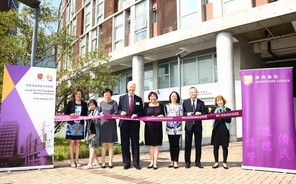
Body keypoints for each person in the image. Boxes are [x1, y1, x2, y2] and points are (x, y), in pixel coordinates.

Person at [118, 81, 144, 170]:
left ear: (135, 88)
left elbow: (142, 111)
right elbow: (118, 110)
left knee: (135, 143)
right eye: (130, 87)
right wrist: (121, 112)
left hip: (134, 125)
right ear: (127, 87)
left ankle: (136, 163)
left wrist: (137, 114)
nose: (131, 88)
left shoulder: (139, 99)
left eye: (133, 87)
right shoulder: (122, 98)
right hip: (124, 124)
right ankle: (126, 162)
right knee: (124, 144)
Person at [182, 86, 206, 169]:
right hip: (188, 126)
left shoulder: (201, 102)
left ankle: (198, 161)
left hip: (198, 126)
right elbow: (182, 113)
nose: (193, 93)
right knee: (187, 144)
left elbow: (204, 112)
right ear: (189, 93)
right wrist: (186, 114)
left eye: (194, 92)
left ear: (197, 93)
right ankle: (187, 162)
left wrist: (201, 113)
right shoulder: (185, 102)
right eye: (191, 92)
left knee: (198, 144)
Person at [65, 88, 88, 167]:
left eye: (80, 94)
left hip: (80, 126)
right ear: (74, 95)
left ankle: (77, 161)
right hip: (72, 125)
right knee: (72, 143)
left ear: (82, 95)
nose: (78, 95)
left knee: (78, 143)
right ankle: (72, 161)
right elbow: (66, 114)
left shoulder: (84, 104)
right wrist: (71, 115)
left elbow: (86, 115)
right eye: (77, 94)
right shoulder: (70, 103)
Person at [208, 95, 231, 169]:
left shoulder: (228, 110)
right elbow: (208, 114)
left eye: (221, 100)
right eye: (218, 101)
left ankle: (224, 162)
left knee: (225, 147)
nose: (219, 102)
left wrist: (221, 115)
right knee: (215, 147)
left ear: (223, 101)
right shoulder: (214, 110)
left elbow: (229, 120)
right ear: (216, 102)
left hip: (224, 130)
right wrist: (209, 112)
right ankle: (216, 162)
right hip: (216, 130)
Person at [144, 91, 164, 170]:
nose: (153, 98)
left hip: (157, 127)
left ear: (156, 97)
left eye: (154, 96)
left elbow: (164, 115)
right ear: (149, 98)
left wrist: (161, 116)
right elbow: (143, 117)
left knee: (156, 146)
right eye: (151, 96)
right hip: (148, 127)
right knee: (150, 146)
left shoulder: (161, 106)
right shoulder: (146, 106)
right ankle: (151, 162)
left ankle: (155, 162)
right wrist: (149, 118)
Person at [99, 88, 118, 169]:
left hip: (111, 125)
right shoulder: (101, 103)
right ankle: (103, 162)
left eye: (108, 94)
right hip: (103, 125)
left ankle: (110, 162)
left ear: (111, 95)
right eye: (105, 94)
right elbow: (98, 113)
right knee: (103, 144)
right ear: (103, 95)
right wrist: (100, 113)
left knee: (110, 144)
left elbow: (116, 113)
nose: (107, 96)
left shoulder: (114, 103)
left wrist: (112, 115)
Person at [164, 91, 183, 169]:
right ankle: (172, 160)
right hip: (169, 127)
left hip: (178, 127)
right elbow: (165, 116)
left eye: (175, 96)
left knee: (176, 144)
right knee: (171, 144)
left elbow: (182, 115)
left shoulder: (180, 106)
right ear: (170, 97)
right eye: (172, 96)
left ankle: (176, 161)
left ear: (177, 97)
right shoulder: (166, 106)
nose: (174, 97)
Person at [84, 99, 101, 169]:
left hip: (95, 131)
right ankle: (96, 162)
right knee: (90, 146)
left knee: (92, 146)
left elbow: (99, 122)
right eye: (90, 105)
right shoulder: (89, 112)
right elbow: (86, 121)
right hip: (89, 131)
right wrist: (88, 118)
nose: (91, 106)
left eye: (93, 105)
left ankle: (90, 164)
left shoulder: (98, 111)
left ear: (95, 105)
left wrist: (94, 119)